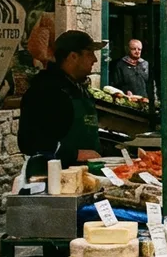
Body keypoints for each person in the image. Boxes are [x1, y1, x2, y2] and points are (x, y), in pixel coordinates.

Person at [18, 30, 106, 167]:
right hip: (53, 178)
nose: (94, 60)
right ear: (73, 57)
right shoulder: (45, 90)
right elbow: (29, 142)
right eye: (89, 54)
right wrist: (75, 154)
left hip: (86, 174)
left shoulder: (78, 88)